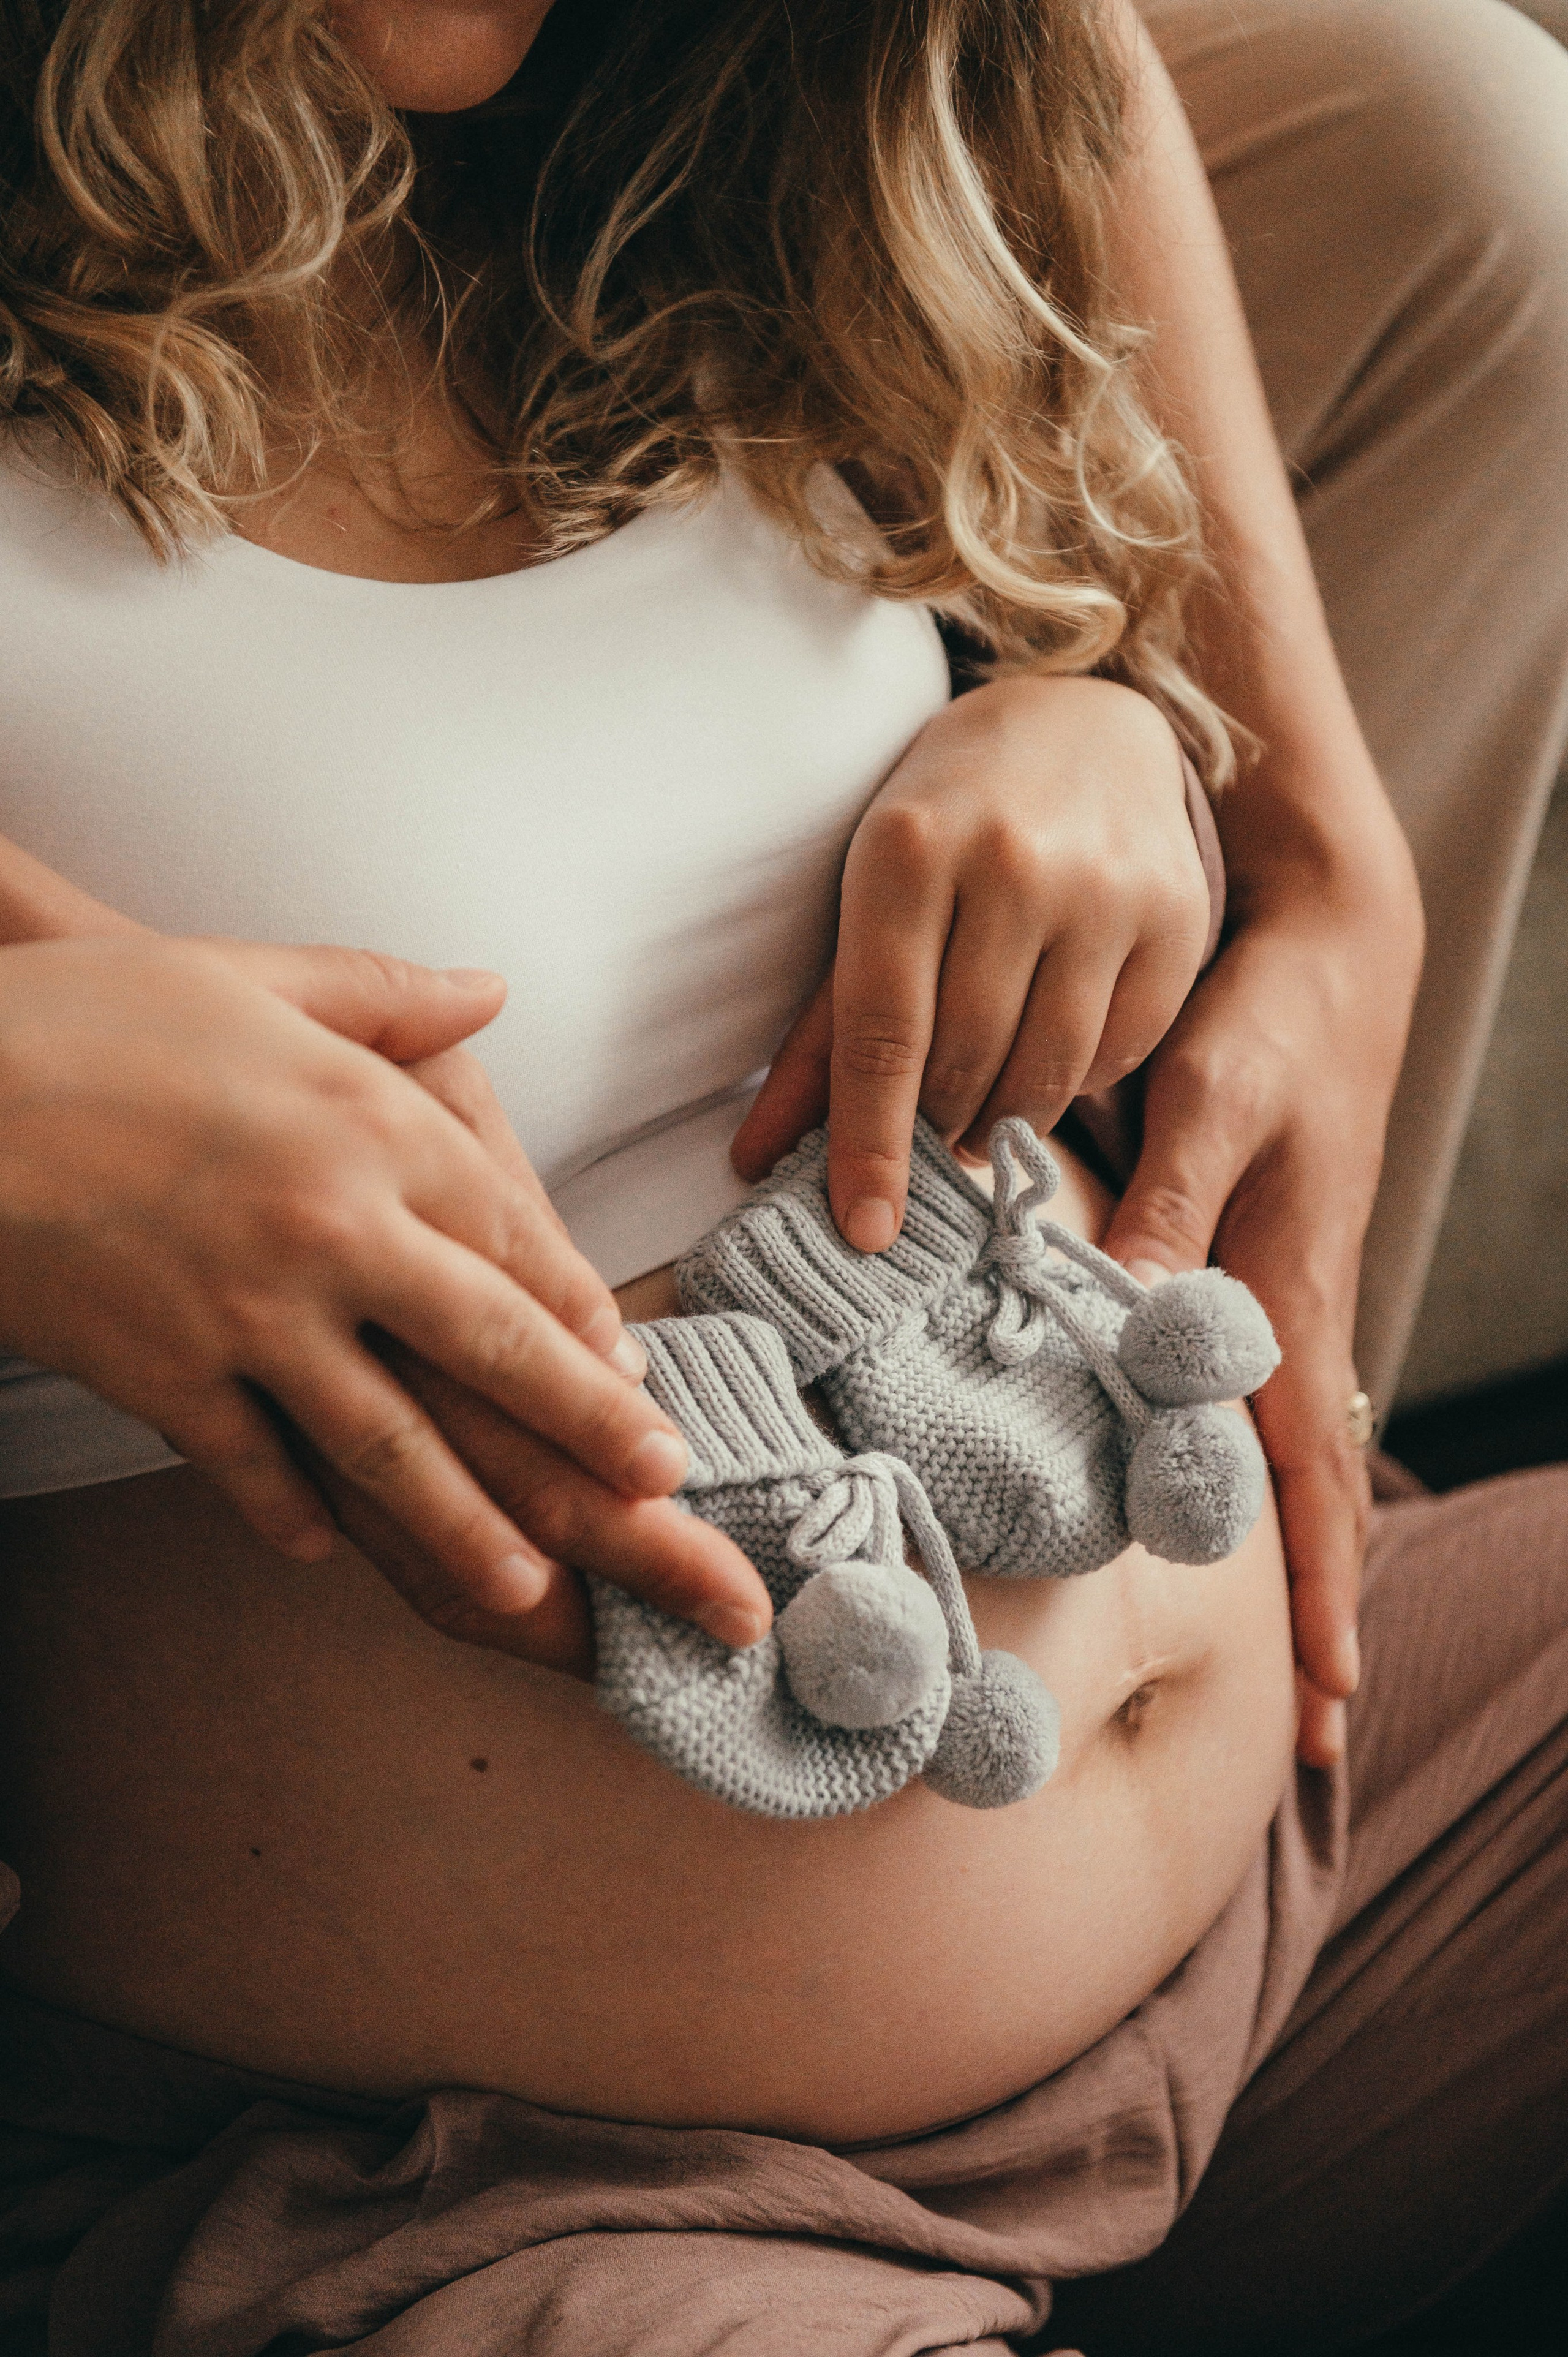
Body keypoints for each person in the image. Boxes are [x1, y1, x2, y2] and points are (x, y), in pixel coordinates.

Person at [0, 2, 1564, 2350]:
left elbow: (1064, 71)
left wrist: (1145, 733)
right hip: (510, 2199)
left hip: (1316, 1864)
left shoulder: (782, 82)